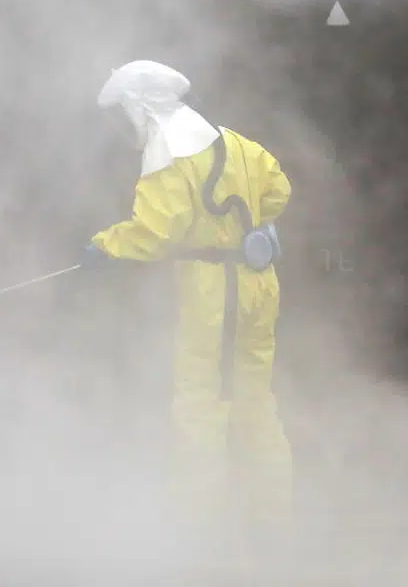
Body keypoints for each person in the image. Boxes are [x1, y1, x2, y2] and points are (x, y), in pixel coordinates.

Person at [81, 59, 294, 538]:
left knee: (201, 406)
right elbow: (278, 190)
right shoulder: (235, 143)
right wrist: (247, 229)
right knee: (254, 400)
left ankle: (199, 533)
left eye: (123, 115)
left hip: (214, 295)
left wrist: (105, 246)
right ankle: (274, 522)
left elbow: (156, 232)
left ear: (140, 108)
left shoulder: (167, 154)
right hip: (258, 283)